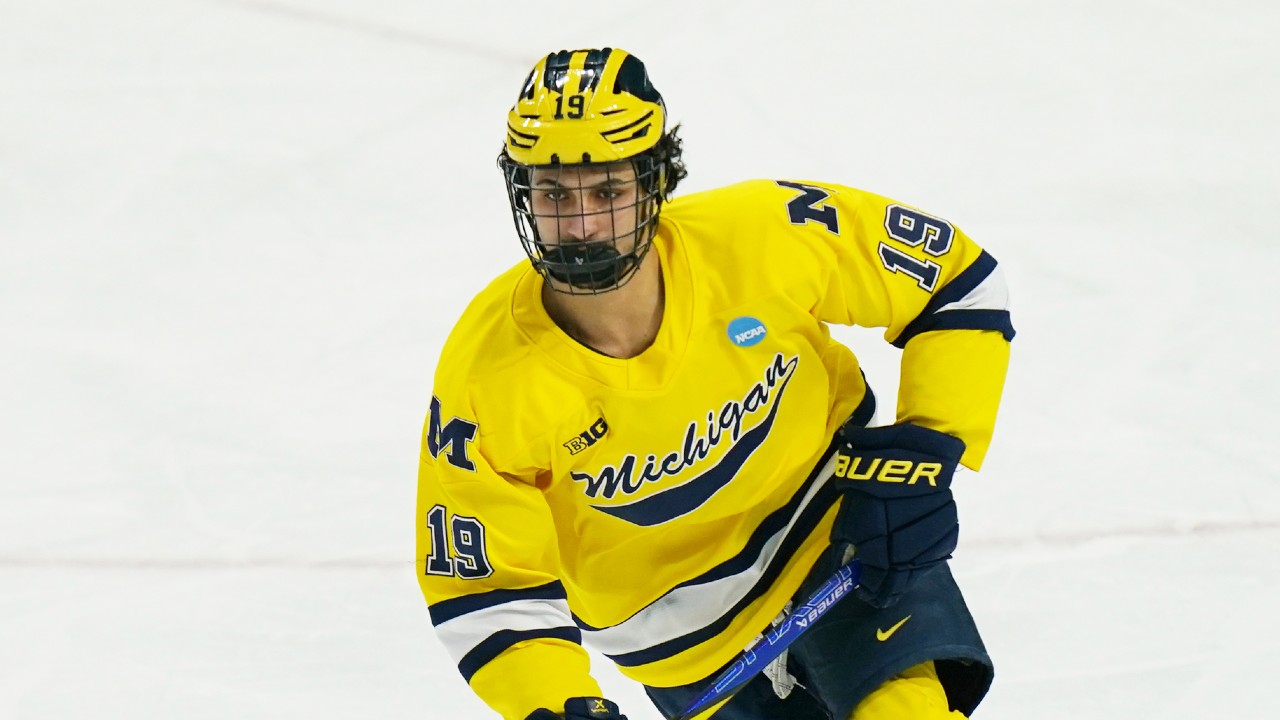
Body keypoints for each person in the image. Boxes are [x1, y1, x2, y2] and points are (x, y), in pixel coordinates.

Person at [416, 47, 1014, 720]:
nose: (581, 226)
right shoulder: (485, 378)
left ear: (656, 180)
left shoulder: (763, 235)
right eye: (554, 194)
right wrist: (556, 705)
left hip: (841, 540)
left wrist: (926, 455)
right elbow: (485, 591)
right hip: (683, 645)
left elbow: (956, 282)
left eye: (607, 192)